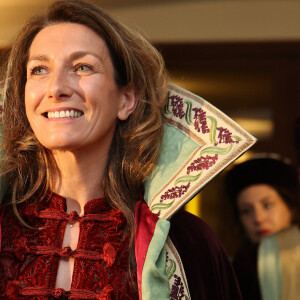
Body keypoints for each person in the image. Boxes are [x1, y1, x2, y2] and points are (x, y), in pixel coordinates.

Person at [0, 0, 242, 299]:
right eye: (39, 69)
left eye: (82, 67)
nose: (56, 88)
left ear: (126, 99)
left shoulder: (187, 242)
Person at [225, 154, 300, 300]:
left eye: (267, 205)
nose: (258, 219)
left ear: (290, 207)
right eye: (246, 211)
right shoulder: (232, 271)